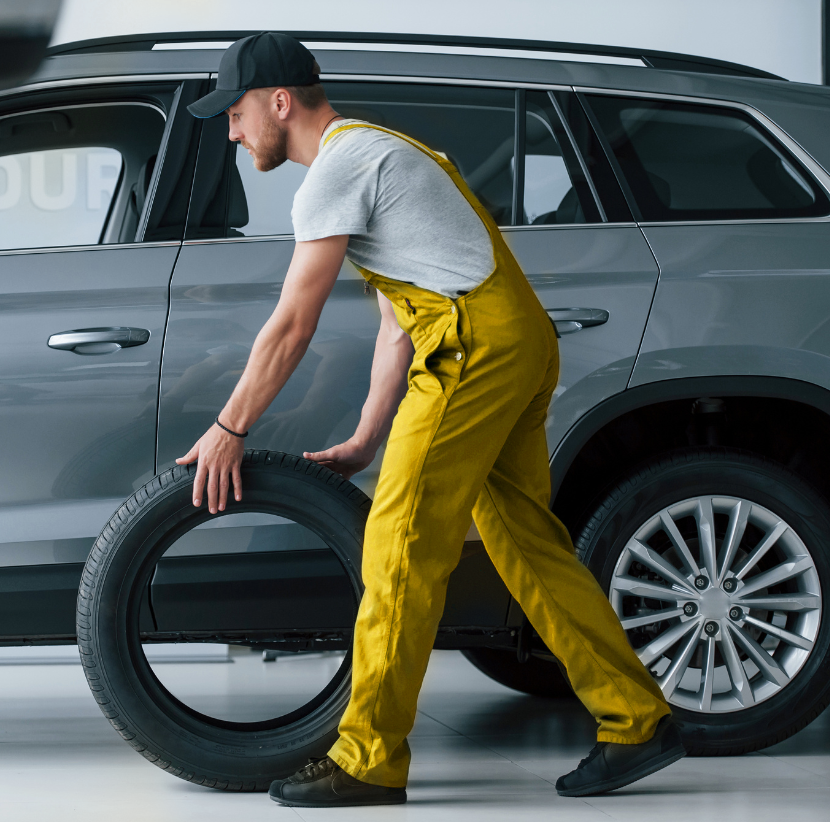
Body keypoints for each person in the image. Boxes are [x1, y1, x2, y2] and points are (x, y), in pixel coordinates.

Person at [177, 32, 685, 808]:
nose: (233, 129)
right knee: (526, 544)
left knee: (401, 544)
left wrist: (230, 426)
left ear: (280, 102)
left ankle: (367, 760)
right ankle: (637, 718)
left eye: (237, 112)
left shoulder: (334, 174)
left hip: (473, 349)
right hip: (510, 338)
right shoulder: (380, 152)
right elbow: (397, 320)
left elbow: (291, 325)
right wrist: (366, 438)